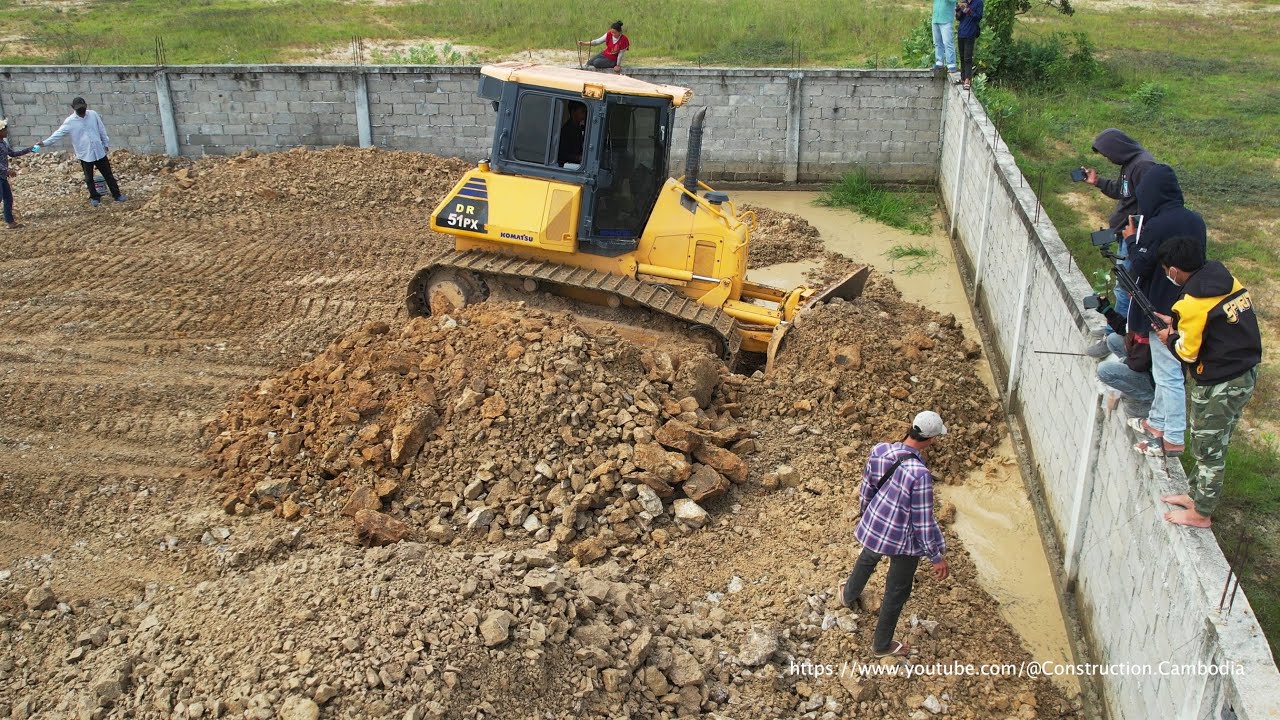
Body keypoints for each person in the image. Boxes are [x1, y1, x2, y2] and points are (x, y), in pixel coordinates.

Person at [1153, 237, 1262, 529]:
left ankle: (1201, 514)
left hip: (1220, 381)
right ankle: (1197, 496)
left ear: (1174, 271)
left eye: (1167, 270)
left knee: (1208, 446)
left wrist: (1170, 338)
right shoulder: (1227, 279)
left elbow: (1186, 352)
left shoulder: (1190, 304)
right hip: (1244, 372)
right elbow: (1212, 326)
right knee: (1213, 438)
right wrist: (1180, 327)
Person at [841, 411, 950, 658]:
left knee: (867, 558)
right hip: (905, 540)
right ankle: (881, 646)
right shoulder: (920, 475)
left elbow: (867, 486)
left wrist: (866, 515)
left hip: (877, 523)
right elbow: (922, 522)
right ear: (931, 439)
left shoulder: (880, 450)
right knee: (896, 590)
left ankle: (848, 595)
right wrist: (936, 556)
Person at [1125, 164, 1206, 458]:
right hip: (1186, 305)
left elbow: (1141, 265)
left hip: (1158, 308)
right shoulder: (1196, 221)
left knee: (1168, 374)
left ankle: (1171, 439)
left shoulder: (1156, 226)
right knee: (1166, 370)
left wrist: (1133, 239)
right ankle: (1156, 423)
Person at [1083, 129, 1157, 350]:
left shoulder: (1143, 166)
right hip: (1125, 234)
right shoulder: (1130, 165)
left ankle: (1117, 337)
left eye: (1107, 155)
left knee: (1126, 287)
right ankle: (1114, 329)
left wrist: (1136, 237)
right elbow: (1123, 192)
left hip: (1134, 238)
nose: (1108, 159)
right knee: (1121, 285)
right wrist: (1097, 182)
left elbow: (1148, 206)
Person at [33, 97, 126, 207]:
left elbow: (101, 129)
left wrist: (105, 144)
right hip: (85, 154)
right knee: (89, 178)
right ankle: (95, 197)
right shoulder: (70, 122)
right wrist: (44, 143)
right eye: (79, 109)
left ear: (86, 106)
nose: (81, 111)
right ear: (73, 108)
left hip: (98, 150)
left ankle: (117, 195)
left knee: (108, 175)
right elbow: (57, 135)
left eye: (83, 108)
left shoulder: (93, 115)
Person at [0, 119, 33, 230]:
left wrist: (29, 149)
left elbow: (13, 154)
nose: (7, 131)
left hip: (2, 176)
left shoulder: (3, 143)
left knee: (8, 198)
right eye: (4, 129)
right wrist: (7, 171)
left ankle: (10, 222)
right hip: (2, 175)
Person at [955, 0, 983, 89]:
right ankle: (963, 78)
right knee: (962, 56)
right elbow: (958, 18)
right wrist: (958, 9)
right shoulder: (964, 2)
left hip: (970, 33)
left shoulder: (978, 2)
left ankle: (968, 79)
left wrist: (968, 10)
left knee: (968, 57)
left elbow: (978, 17)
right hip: (961, 32)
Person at [932, 0, 958, 73]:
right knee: (937, 42)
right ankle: (939, 62)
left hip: (946, 19)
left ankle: (951, 64)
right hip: (935, 19)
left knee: (947, 42)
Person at [557, 102, 587, 167]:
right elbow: (562, 154)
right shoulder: (566, 130)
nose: (584, 116)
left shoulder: (579, 128)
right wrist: (578, 157)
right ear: (573, 112)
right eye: (582, 112)